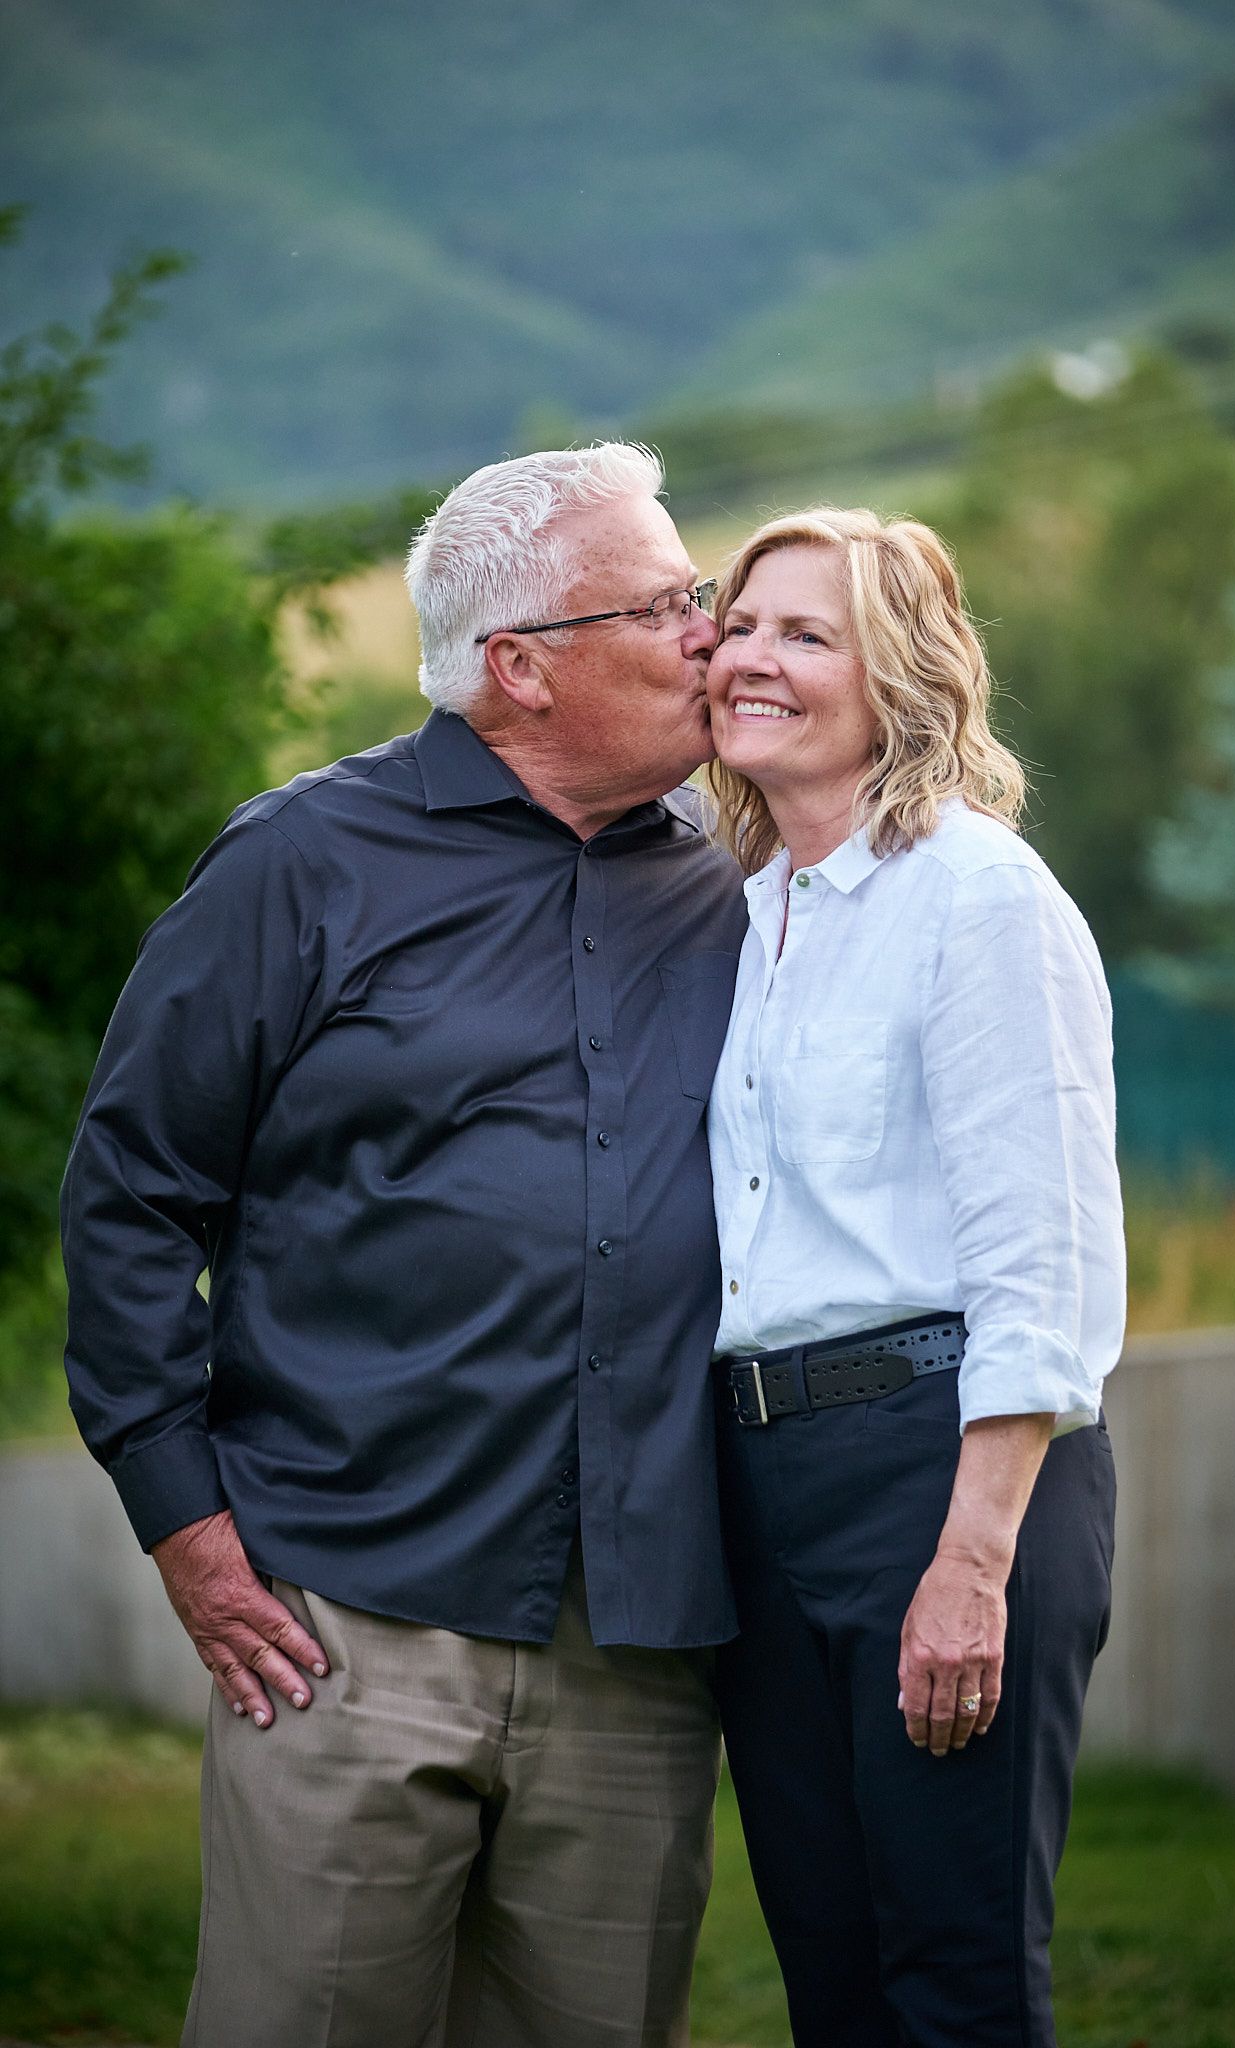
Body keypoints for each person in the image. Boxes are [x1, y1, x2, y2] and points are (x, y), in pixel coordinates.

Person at [60, 443, 749, 2048]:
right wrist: (191, 1531)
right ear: (520, 669)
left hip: (641, 1637)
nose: (708, 631)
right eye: (666, 602)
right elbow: (135, 1192)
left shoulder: (734, 890)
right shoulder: (300, 862)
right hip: (341, 1615)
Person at [703, 506, 1124, 2047]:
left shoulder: (977, 895)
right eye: (740, 624)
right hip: (766, 1482)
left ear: (903, 680)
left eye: (804, 634)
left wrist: (970, 1562)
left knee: (948, 1981)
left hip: (940, 1469)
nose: (751, 656)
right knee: (830, 1977)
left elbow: (1044, 1251)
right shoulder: (742, 918)